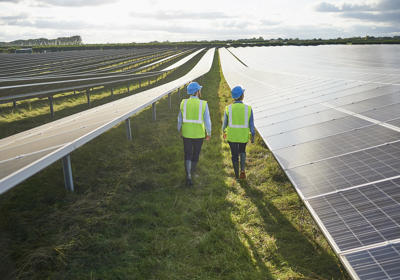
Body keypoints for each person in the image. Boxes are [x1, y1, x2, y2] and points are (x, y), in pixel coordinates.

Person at [178, 81, 211, 186]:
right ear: (197, 91)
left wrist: (179, 129)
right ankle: (193, 173)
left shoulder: (183, 103)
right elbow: (207, 121)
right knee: (195, 154)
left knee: (187, 154)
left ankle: (188, 176)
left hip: (186, 133)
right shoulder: (203, 104)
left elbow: (179, 119)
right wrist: (208, 132)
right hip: (198, 134)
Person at [222, 85, 255, 179]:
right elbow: (251, 126)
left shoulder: (228, 108)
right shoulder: (248, 109)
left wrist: (223, 132)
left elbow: (224, 124)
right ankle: (243, 171)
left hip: (232, 136)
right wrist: (252, 137)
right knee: (242, 151)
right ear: (242, 96)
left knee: (234, 155)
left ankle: (236, 176)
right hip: (243, 136)